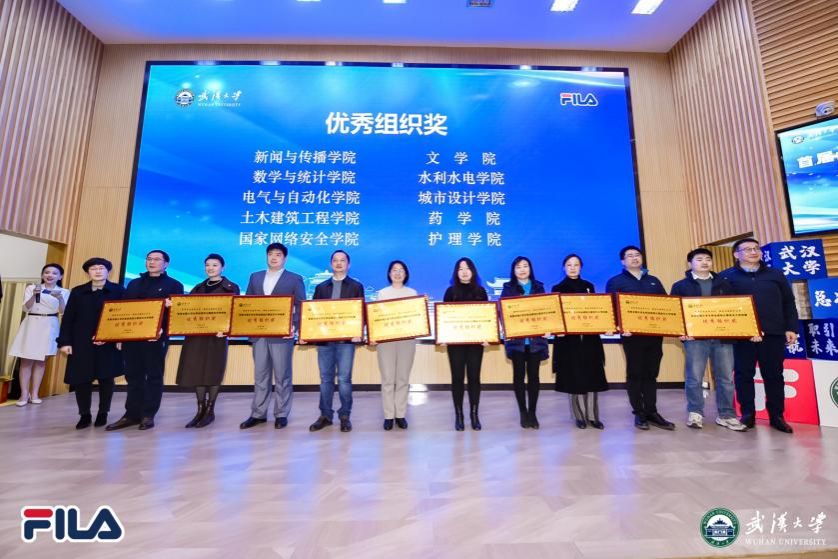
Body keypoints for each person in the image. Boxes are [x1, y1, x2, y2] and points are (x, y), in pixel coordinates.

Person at [720, 238, 799, 434]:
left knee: (774, 375)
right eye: (747, 249)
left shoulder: (775, 274)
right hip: (742, 336)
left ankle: (777, 416)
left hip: (773, 333)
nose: (753, 252)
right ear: (736, 254)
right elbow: (722, 307)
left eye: (756, 248)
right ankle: (748, 414)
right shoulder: (726, 277)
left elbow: (788, 302)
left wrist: (791, 328)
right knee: (743, 375)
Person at [106, 250, 184, 431]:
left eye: (157, 259)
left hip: (155, 339)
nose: (152, 262)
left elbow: (177, 314)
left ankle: (148, 415)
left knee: (154, 376)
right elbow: (124, 311)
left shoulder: (174, 285)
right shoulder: (134, 283)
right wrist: (119, 335)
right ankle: (131, 414)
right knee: (133, 376)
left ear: (166, 264)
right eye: (149, 259)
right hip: (132, 338)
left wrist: (165, 321)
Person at [671, 248, 746, 431]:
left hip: (722, 337)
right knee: (694, 377)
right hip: (695, 339)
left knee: (726, 378)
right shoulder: (680, 286)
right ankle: (695, 412)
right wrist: (680, 331)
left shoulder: (725, 284)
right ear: (690, 263)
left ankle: (726, 415)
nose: (704, 262)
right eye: (699, 259)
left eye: (707, 259)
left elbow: (735, 308)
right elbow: (675, 312)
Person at [605, 245, 675, 431]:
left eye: (637, 255)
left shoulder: (654, 281)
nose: (634, 258)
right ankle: (639, 413)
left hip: (654, 335)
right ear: (623, 261)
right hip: (631, 336)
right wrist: (618, 327)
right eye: (630, 256)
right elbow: (610, 308)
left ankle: (652, 411)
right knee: (635, 374)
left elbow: (667, 306)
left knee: (651, 373)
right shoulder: (616, 282)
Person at [239, 243, 305, 430]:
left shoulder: (294, 278)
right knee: (260, 376)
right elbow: (248, 304)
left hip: (282, 336)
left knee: (283, 376)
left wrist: (293, 326)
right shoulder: (255, 277)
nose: (273, 258)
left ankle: (281, 413)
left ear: (285, 258)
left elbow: (300, 305)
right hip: (259, 334)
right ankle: (258, 414)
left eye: (278, 254)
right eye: (270, 254)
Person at [57, 258, 124, 429]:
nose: (98, 271)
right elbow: (68, 318)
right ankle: (84, 415)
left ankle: (103, 413)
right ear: (88, 272)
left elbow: (124, 317)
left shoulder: (118, 290)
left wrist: (117, 338)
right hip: (81, 342)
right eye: (93, 268)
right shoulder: (78, 291)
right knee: (81, 379)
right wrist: (65, 342)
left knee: (106, 379)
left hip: (108, 343)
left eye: (101, 268)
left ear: (108, 271)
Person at [176, 254, 240, 429]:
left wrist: (226, 329)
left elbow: (235, 312)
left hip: (217, 337)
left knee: (213, 371)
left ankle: (210, 410)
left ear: (222, 267)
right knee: (197, 371)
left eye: (215, 265)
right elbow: (186, 310)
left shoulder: (231, 287)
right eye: (207, 265)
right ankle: (200, 410)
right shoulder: (198, 287)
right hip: (196, 336)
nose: (210, 268)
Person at [308, 250, 364, 433]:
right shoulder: (321, 287)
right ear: (331, 263)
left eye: (343, 260)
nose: (339, 263)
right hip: (325, 341)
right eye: (335, 260)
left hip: (346, 341)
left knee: (344, 379)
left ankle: (345, 415)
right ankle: (325, 415)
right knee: (325, 379)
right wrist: (309, 333)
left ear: (348, 264)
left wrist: (358, 332)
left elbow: (361, 312)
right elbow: (313, 313)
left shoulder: (356, 286)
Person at [552, 254, 609, 429]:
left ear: (581, 267)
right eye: (569, 265)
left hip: (590, 339)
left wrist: (605, 324)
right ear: (564, 267)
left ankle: (593, 416)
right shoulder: (558, 288)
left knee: (593, 376)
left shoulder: (589, 286)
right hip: (569, 342)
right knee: (573, 378)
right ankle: (579, 416)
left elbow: (597, 311)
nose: (572, 268)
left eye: (576, 264)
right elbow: (555, 314)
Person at [9, 263, 69, 407]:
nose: (50, 275)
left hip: (50, 324)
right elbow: (26, 308)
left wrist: (60, 298)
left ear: (60, 276)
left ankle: (35, 393)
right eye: (47, 272)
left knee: (41, 361)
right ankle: (24, 394)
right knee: (26, 361)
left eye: (54, 273)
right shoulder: (32, 288)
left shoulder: (64, 291)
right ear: (42, 275)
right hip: (31, 324)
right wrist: (34, 295)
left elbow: (63, 312)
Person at [500, 256, 549, 429]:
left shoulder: (538, 287)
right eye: (518, 267)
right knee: (519, 377)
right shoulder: (508, 288)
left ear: (530, 268)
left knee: (534, 377)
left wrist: (549, 326)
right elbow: (502, 312)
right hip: (517, 342)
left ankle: (532, 412)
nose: (522, 269)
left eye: (525, 266)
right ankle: (523, 412)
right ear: (513, 271)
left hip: (536, 341)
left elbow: (547, 311)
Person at [443, 257, 489, 431]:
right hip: (455, 343)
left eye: (467, 268)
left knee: (474, 378)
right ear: (456, 272)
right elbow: (444, 318)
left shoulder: (481, 291)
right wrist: (443, 336)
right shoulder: (450, 292)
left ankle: (474, 415)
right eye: (460, 268)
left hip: (476, 343)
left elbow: (487, 317)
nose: (464, 272)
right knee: (457, 378)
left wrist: (488, 336)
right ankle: (459, 415)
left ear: (473, 271)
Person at [372, 260, 418, 431]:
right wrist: (374, 336)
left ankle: (400, 414)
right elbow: (377, 319)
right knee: (388, 379)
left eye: (401, 270)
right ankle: (388, 415)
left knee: (403, 378)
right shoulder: (382, 293)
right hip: (386, 341)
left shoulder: (412, 293)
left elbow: (416, 318)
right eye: (394, 270)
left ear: (405, 274)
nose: (397, 273)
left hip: (407, 340)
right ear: (389, 274)